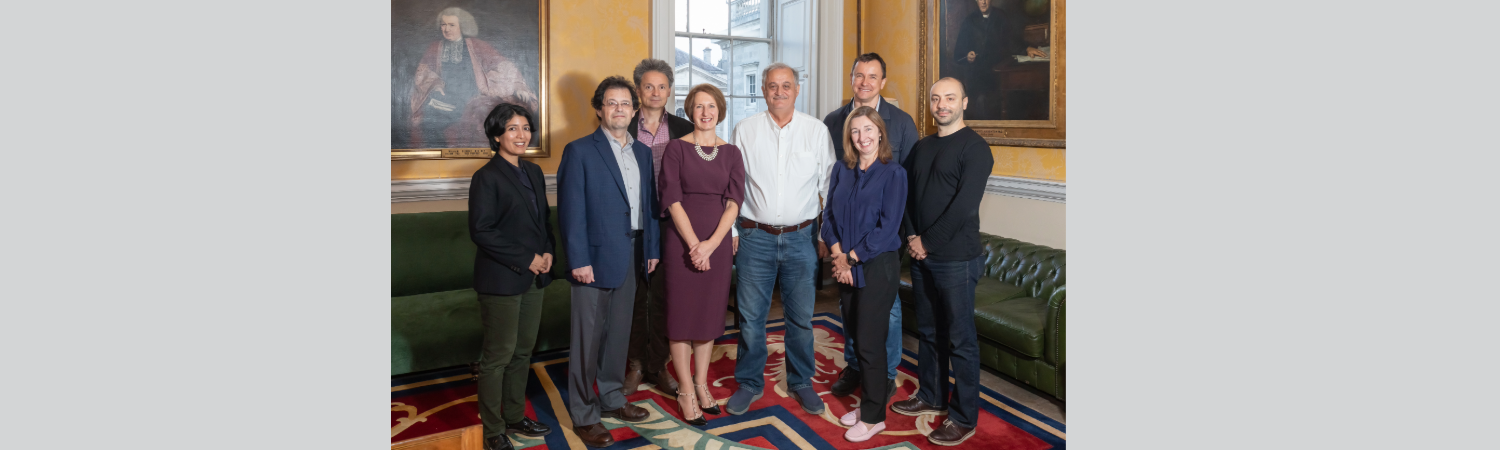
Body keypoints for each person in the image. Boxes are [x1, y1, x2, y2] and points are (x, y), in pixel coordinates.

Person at [725, 62, 836, 417]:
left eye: (786, 85)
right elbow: (732, 187)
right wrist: (730, 232)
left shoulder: (816, 131)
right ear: (763, 90)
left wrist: (824, 235)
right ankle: (749, 383)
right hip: (754, 237)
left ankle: (801, 381)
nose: (779, 92)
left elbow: (828, 186)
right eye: (772, 86)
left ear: (797, 90)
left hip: (802, 239)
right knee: (751, 317)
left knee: (801, 318)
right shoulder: (745, 129)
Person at [556, 76, 661, 448]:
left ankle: (613, 398)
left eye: (625, 103)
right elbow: (571, 213)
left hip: (633, 255)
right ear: (600, 109)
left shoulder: (643, 153)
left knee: (618, 335)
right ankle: (584, 415)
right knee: (587, 341)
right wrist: (578, 260)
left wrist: (651, 248)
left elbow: (648, 206)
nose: (619, 109)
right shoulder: (580, 151)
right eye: (611, 103)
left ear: (635, 110)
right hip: (594, 260)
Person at [890, 77, 994, 446]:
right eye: (936, 98)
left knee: (961, 341)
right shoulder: (922, 146)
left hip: (956, 259)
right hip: (921, 256)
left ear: (964, 102)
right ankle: (931, 395)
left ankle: (964, 417)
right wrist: (912, 238)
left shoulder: (976, 149)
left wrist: (927, 243)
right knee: (930, 332)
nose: (942, 104)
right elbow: (907, 196)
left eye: (950, 98)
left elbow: (964, 207)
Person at [821, 52, 920, 401]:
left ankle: (885, 372)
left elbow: (905, 185)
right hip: (844, 232)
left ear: (883, 82)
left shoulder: (903, 123)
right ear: (851, 78)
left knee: (886, 311)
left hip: (881, 240)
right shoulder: (833, 120)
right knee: (849, 310)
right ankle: (857, 365)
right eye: (858, 75)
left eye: (872, 76)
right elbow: (835, 181)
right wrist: (837, 251)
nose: (864, 82)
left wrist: (906, 233)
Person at [468, 103, 556, 450]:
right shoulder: (486, 177)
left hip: (534, 277)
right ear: (496, 136)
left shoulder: (533, 171)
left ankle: (515, 416)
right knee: (497, 357)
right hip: (501, 280)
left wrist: (548, 251)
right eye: (512, 129)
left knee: (522, 352)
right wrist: (529, 258)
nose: (521, 135)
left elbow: (543, 222)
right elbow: (482, 231)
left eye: (525, 128)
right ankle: (493, 432)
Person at [657, 84, 746, 426]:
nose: (705, 113)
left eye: (711, 107)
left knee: (709, 315)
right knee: (682, 317)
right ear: (689, 111)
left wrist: (711, 244)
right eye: (698, 107)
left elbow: (734, 201)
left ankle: (700, 381)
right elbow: (672, 197)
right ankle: (684, 390)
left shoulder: (733, 153)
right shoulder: (676, 149)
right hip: (681, 241)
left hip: (718, 243)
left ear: (719, 111)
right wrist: (695, 244)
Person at [823, 106, 908, 442]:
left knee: (871, 344)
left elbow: (889, 229)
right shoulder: (841, 170)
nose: (863, 137)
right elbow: (828, 215)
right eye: (855, 131)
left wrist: (849, 259)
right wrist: (837, 253)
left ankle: (874, 418)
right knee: (857, 340)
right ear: (849, 137)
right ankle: (868, 403)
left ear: (880, 133)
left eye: (868, 130)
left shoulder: (894, 173)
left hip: (876, 267)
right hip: (845, 262)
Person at [619, 58, 698, 396]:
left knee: (666, 295)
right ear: (638, 90)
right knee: (635, 296)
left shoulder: (683, 128)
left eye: (662, 86)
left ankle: (659, 363)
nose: (655, 92)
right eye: (648, 86)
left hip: (671, 221)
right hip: (631, 221)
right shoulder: (622, 123)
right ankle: (636, 363)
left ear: (670, 90)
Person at [410, 7, 540, 148]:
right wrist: (435, 85)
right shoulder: (435, 47)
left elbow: (503, 65)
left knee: (481, 113)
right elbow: (424, 73)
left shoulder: (476, 45)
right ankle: (437, 155)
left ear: (462, 26)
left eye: (451, 25)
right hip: (444, 97)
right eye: (443, 24)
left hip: (471, 97)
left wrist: (518, 87)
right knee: (428, 117)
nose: (446, 29)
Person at [951, 0, 1047, 120]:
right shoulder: (969, 21)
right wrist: (968, 56)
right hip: (976, 74)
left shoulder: (1000, 16)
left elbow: (1011, 40)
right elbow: (958, 54)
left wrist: (1026, 48)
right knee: (979, 104)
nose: (984, 2)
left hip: (997, 71)